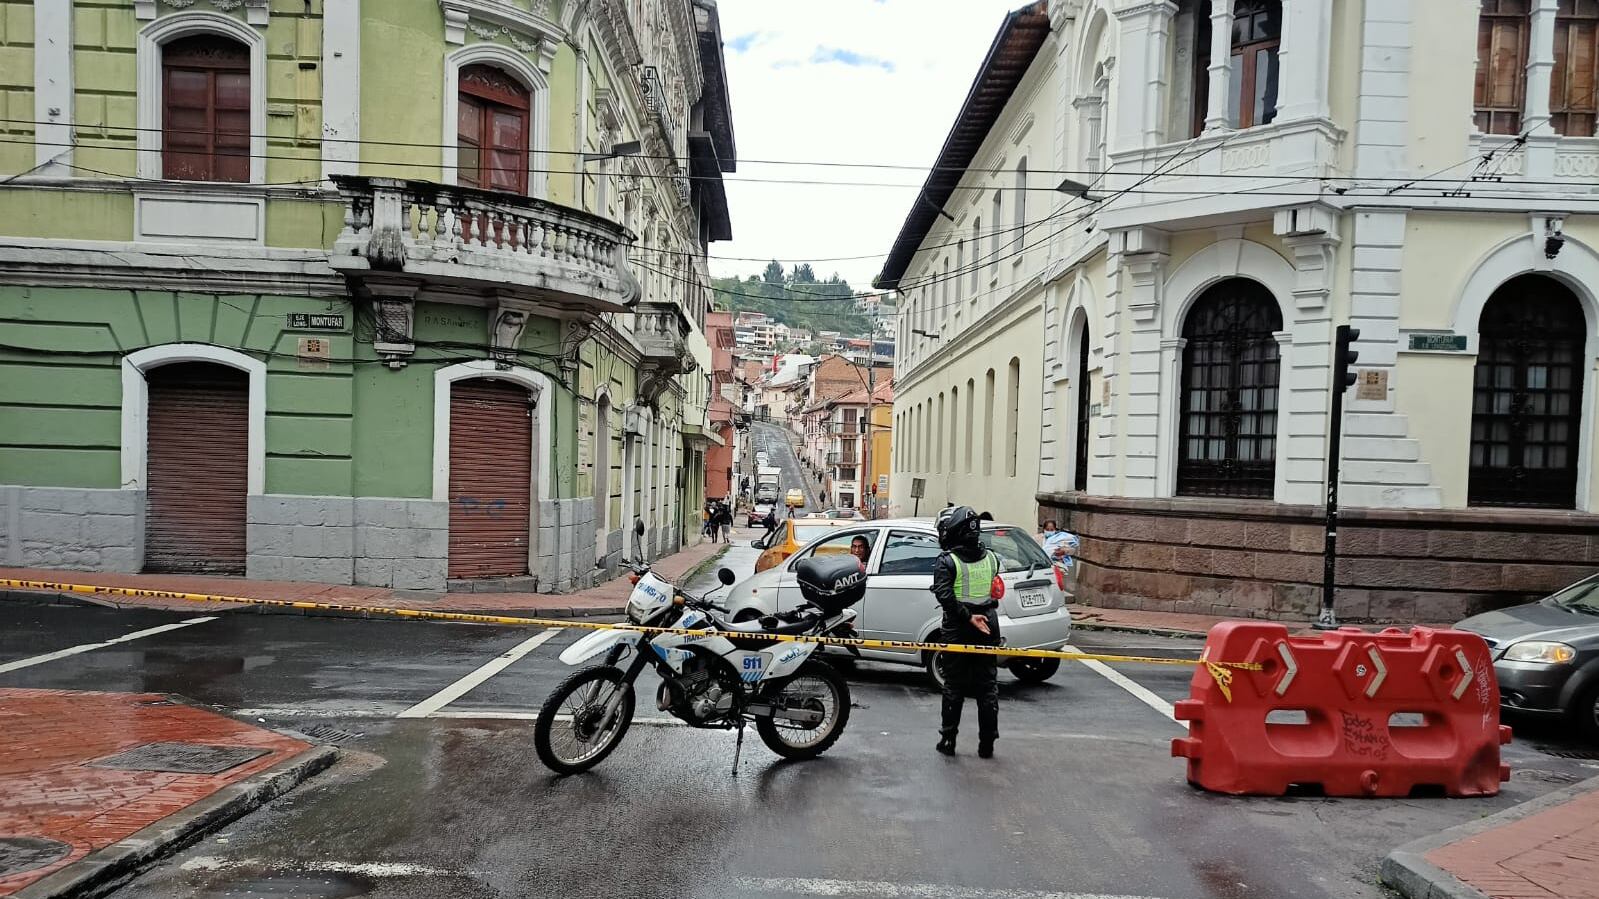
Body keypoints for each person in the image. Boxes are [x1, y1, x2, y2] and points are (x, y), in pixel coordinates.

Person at [930, 505, 1001, 758]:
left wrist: (968, 616)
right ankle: (987, 744)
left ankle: (948, 739)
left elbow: (945, 596)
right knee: (987, 687)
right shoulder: (992, 558)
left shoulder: (948, 561)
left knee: (954, 686)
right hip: (987, 624)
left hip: (959, 626)